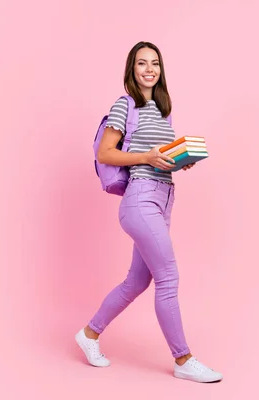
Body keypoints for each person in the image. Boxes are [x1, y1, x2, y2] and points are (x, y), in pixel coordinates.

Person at [75, 41, 222, 383]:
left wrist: (176, 161)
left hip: (164, 197)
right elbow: (105, 153)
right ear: (132, 69)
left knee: (136, 281)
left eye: (154, 63)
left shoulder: (163, 109)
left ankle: (89, 334)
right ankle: (183, 359)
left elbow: (156, 154)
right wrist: (147, 158)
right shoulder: (124, 105)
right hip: (140, 199)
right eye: (142, 63)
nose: (149, 69)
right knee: (168, 278)